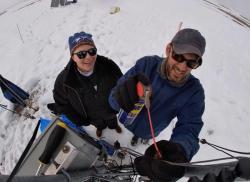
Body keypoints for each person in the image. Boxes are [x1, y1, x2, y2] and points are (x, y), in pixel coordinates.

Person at [108, 28, 206, 181]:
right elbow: (114, 98)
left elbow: (189, 127)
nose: (182, 67)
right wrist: (119, 97)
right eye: (178, 56)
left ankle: (139, 138)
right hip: (123, 119)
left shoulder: (194, 92)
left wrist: (180, 151)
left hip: (149, 130)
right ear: (168, 49)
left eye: (191, 62)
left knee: (142, 135)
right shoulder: (146, 65)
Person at [52, 31, 123, 137]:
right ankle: (100, 128)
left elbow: (121, 85)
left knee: (112, 120)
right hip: (92, 117)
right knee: (99, 125)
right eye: (81, 54)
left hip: (110, 111)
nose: (88, 57)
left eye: (92, 51)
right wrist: (80, 120)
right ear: (73, 57)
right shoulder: (64, 81)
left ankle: (114, 126)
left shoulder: (109, 66)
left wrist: (120, 104)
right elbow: (62, 104)